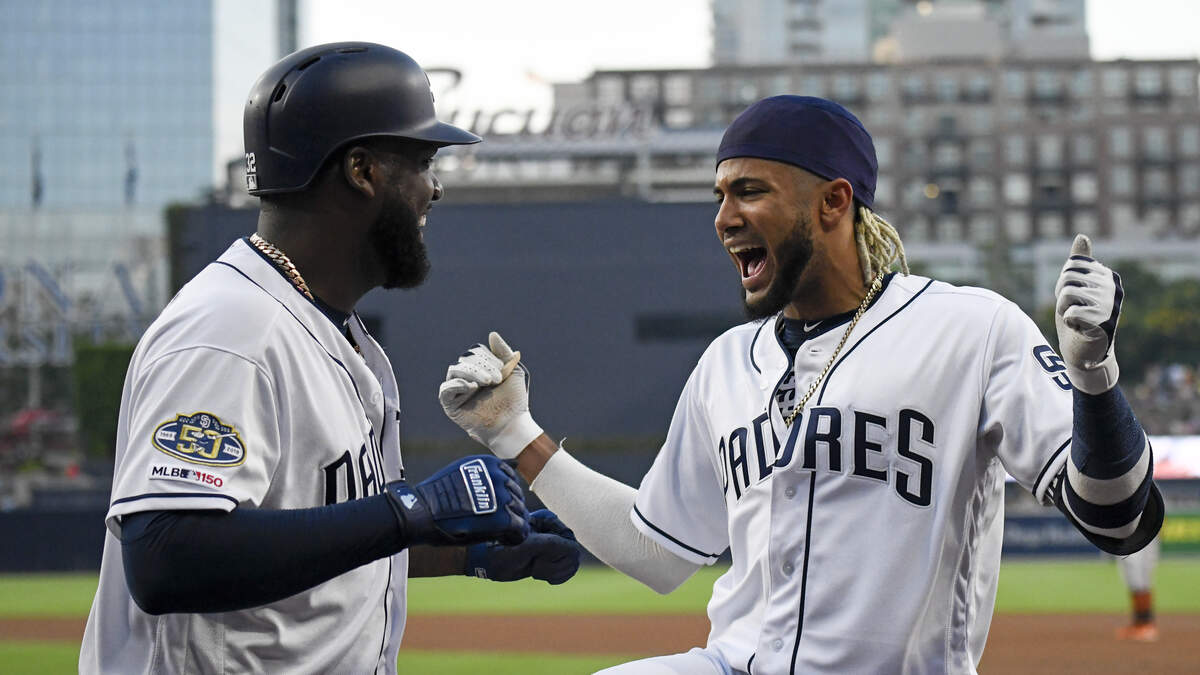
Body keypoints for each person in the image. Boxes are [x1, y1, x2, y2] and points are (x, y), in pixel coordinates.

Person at [437, 95, 1163, 673]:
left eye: (749, 191)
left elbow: (1120, 519)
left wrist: (1093, 376)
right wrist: (512, 430)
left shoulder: (968, 327)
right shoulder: (728, 361)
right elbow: (655, 549)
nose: (723, 218)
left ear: (834, 202)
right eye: (720, 195)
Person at [79, 42, 580, 675]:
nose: (436, 188)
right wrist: (410, 511)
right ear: (362, 170)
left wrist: (463, 553)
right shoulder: (231, 329)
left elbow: (316, 540)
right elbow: (167, 556)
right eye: (423, 161)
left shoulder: (329, 328)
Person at [1116, 533, 1161, 641]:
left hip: (1139, 531)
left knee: (1137, 573)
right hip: (1135, 531)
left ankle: (1145, 623)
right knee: (1135, 574)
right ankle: (1140, 622)